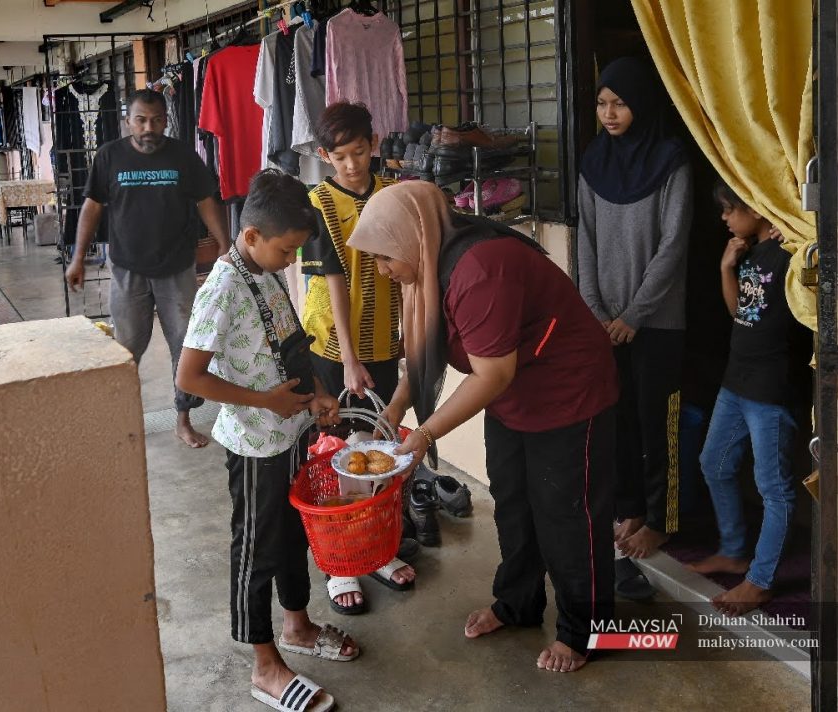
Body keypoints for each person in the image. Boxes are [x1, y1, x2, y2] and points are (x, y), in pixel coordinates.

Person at [348, 181, 618, 673]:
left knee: (566, 516)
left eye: (385, 258)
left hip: (567, 392)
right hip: (513, 394)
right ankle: (516, 603)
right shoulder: (426, 271)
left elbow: (492, 373)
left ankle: (587, 632)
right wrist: (393, 412)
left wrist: (425, 433)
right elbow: (424, 354)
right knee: (513, 505)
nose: (384, 272)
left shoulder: (479, 269)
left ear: (414, 236)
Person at [176, 170, 357, 711]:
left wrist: (317, 391)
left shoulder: (268, 270)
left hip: (291, 431)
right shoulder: (222, 287)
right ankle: (264, 663)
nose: (291, 260)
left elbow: (292, 343)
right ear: (251, 235)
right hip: (255, 444)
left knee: (292, 536)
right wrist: (265, 403)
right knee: (256, 550)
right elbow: (189, 377)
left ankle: (297, 625)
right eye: (286, 250)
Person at [65, 88, 230, 448]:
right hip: (127, 270)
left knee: (185, 346)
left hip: (176, 268)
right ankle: (120, 418)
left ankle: (183, 420)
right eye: (141, 120)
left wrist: (224, 243)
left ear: (166, 121)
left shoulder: (183, 155)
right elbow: (92, 206)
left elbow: (206, 199)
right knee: (127, 348)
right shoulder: (109, 157)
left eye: (156, 120)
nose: (148, 127)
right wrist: (78, 257)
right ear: (129, 122)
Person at [577, 56, 694, 559]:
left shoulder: (672, 161)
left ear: (641, 103)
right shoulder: (593, 161)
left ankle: (664, 519)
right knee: (617, 419)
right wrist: (598, 312)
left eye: (620, 102)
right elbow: (585, 238)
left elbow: (673, 245)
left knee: (658, 421)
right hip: (605, 322)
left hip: (656, 322)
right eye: (603, 102)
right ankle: (632, 508)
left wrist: (634, 315)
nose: (610, 112)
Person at [301, 101, 415, 615]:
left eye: (360, 151)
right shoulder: (317, 203)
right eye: (341, 155)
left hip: (386, 346)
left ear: (375, 144)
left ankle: (379, 548)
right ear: (325, 156)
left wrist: (412, 340)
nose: (352, 164)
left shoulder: (394, 195)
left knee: (382, 450)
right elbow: (334, 282)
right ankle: (340, 564)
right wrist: (348, 360)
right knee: (338, 456)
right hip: (333, 349)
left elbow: (410, 269)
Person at [687, 180, 812, 615]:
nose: (723, 217)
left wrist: (791, 232)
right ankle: (734, 550)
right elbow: (741, 314)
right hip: (736, 381)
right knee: (713, 463)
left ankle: (760, 580)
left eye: (729, 208)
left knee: (773, 488)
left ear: (756, 208)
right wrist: (726, 268)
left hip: (771, 388)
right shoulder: (750, 251)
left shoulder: (790, 247)